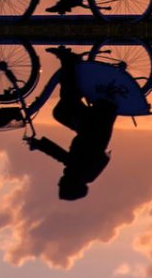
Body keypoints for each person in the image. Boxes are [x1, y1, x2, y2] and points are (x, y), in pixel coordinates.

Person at [25, 46, 116, 199]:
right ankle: (67, 60)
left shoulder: (84, 174)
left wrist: (40, 145)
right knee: (67, 101)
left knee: (61, 112)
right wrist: (38, 145)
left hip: (95, 121)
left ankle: (73, 70)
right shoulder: (80, 172)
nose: (59, 182)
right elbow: (62, 156)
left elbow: (65, 158)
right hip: (96, 119)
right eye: (61, 185)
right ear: (70, 185)